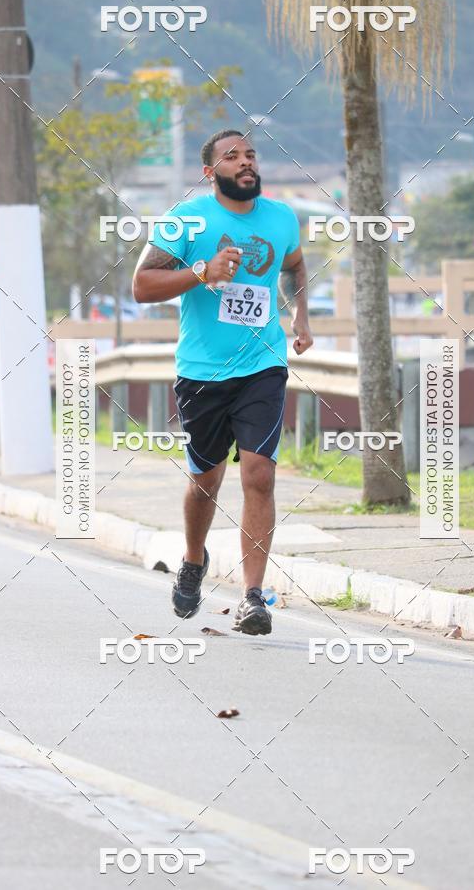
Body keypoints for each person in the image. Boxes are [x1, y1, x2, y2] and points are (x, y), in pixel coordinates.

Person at [132, 129, 313, 635]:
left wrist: (301, 317)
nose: (245, 162)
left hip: (263, 365)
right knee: (205, 482)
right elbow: (142, 286)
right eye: (231, 157)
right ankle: (194, 559)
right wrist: (202, 271)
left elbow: (295, 265)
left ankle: (253, 597)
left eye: (251, 154)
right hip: (203, 372)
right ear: (210, 173)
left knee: (259, 474)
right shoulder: (186, 220)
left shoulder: (280, 218)